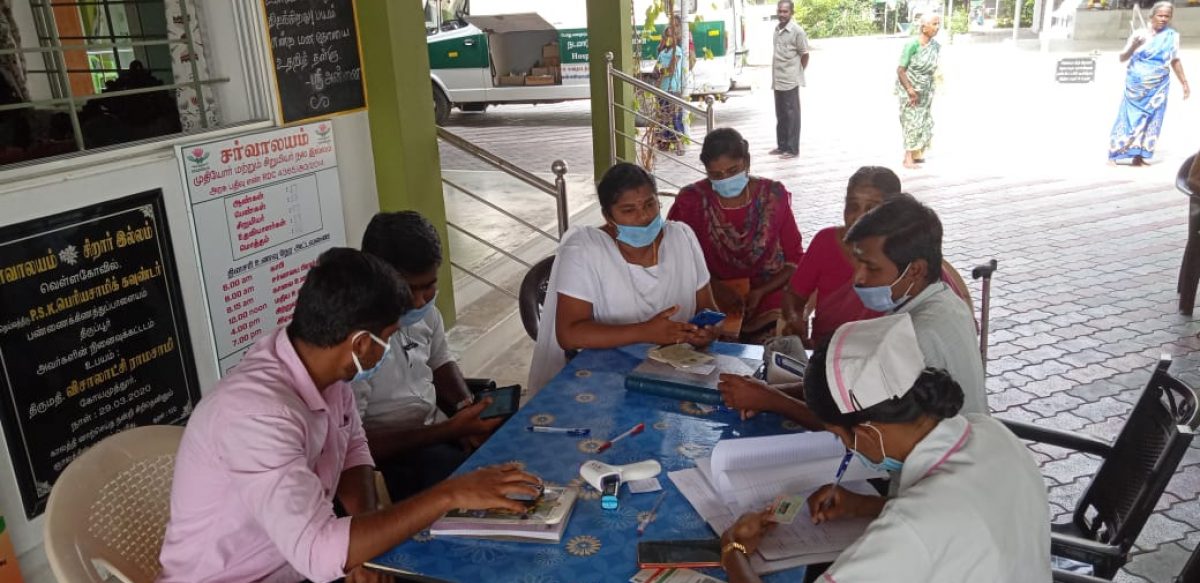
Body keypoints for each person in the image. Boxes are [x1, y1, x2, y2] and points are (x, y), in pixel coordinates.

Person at [158, 248, 542, 583]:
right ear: (361, 343)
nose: (389, 348)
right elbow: (319, 554)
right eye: (388, 337)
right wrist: (450, 493)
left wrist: (362, 544)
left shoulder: (321, 367)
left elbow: (353, 449)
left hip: (299, 563)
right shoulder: (258, 415)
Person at [718, 314, 1051, 583]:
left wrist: (734, 552)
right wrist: (866, 506)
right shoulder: (989, 431)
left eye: (841, 437)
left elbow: (926, 527)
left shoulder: (907, 530)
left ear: (868, 432)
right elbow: (958, 520)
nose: (847, 447)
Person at [528, 162, 720, 391]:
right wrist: (645, 332)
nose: (644, 217)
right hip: (607, 375)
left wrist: (706, 332)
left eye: (650, 204)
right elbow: (569, 334)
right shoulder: (585, 249)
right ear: (608, 216)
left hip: (679, 370)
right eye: (629, 210)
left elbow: (708, 308)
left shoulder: (682, 237)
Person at [357, 211, 501, 502]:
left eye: (429, 286)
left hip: (436, 429)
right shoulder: (354, 345)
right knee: (469, 483)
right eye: (409, 289)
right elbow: (356, 446)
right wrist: (448, 430)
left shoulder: (427, 315)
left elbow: (440, 361)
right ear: (378, 279)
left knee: (507, 446)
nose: (420, 300)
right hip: (393, 454)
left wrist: (465, 409)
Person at [843, 193, 987, 414]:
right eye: (858, 263)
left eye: (871, 268)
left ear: (915, 270)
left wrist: (777, 399)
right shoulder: (946, 300)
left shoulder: (914, 335)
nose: (858, 278)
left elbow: (853, 413)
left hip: (940, 445)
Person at [667, 128, 804, 343]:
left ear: (747, 162)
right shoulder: (690, 201)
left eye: (733, 171)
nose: (725, 179)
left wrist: (760, 291)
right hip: (709, 291)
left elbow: (794, 259)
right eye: (716, 175)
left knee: (776, 340)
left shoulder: (773, 195)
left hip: (767, 291)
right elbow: (676, 258)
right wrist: (714, 287)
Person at [782, 166, 902, 349]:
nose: (859, 216)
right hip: (826, 354)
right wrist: (794, 319)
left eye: (872, 208)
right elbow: (795, 295)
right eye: (853, 206)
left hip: (882, 357)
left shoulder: (905, 252)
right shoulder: (825, 242)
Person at [1108, 1, 1190, 166]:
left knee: (1151, 119)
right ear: (1152, 16)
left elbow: (1174, 60)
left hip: (1159, 85)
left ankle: (1139, 156)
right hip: (1136, 86)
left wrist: (1184, 82)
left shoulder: (1172, 36)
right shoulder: (1140, 34)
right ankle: (1114, 154)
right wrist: (1133, 46)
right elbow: (1122, 58)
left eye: (1167, 16)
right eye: (1160, 15)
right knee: (1130, 118)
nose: (1163, 19)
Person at [896, 13, 941, 169]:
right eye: (934, 24)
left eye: (938, 24)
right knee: (911, 121)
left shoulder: (934, 46)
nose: (937, 27)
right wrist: (910, 89)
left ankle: (916, 154)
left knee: (922, 120)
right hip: (910, 88)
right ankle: (907, 159)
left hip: (925, 89)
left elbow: (933, 66)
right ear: (924, 27)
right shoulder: (912, 45)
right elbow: (901, 70)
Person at [771, 1, 810, 160]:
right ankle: (782, 146)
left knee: (792, 116)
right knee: (780, 115)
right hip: (778, 80)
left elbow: (805, 54)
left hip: (790, 80)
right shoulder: (777, 29)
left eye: (785, 12)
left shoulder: (797, 31)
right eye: (780, 11)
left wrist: (797, 72)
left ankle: (793, 149)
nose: (782, 14)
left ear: (791, 13)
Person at [654, 17, 687, 154]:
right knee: (664, 116)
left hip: (673, 88)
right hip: (662, 88)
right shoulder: (662, 53)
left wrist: (663, 71)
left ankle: (680, 144)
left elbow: (671, 69)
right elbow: (656, 69)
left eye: (671, 36)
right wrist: (661, 71)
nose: (668, 38)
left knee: (675, 116)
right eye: (666, 36)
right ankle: (666, 142)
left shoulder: (677, 50)